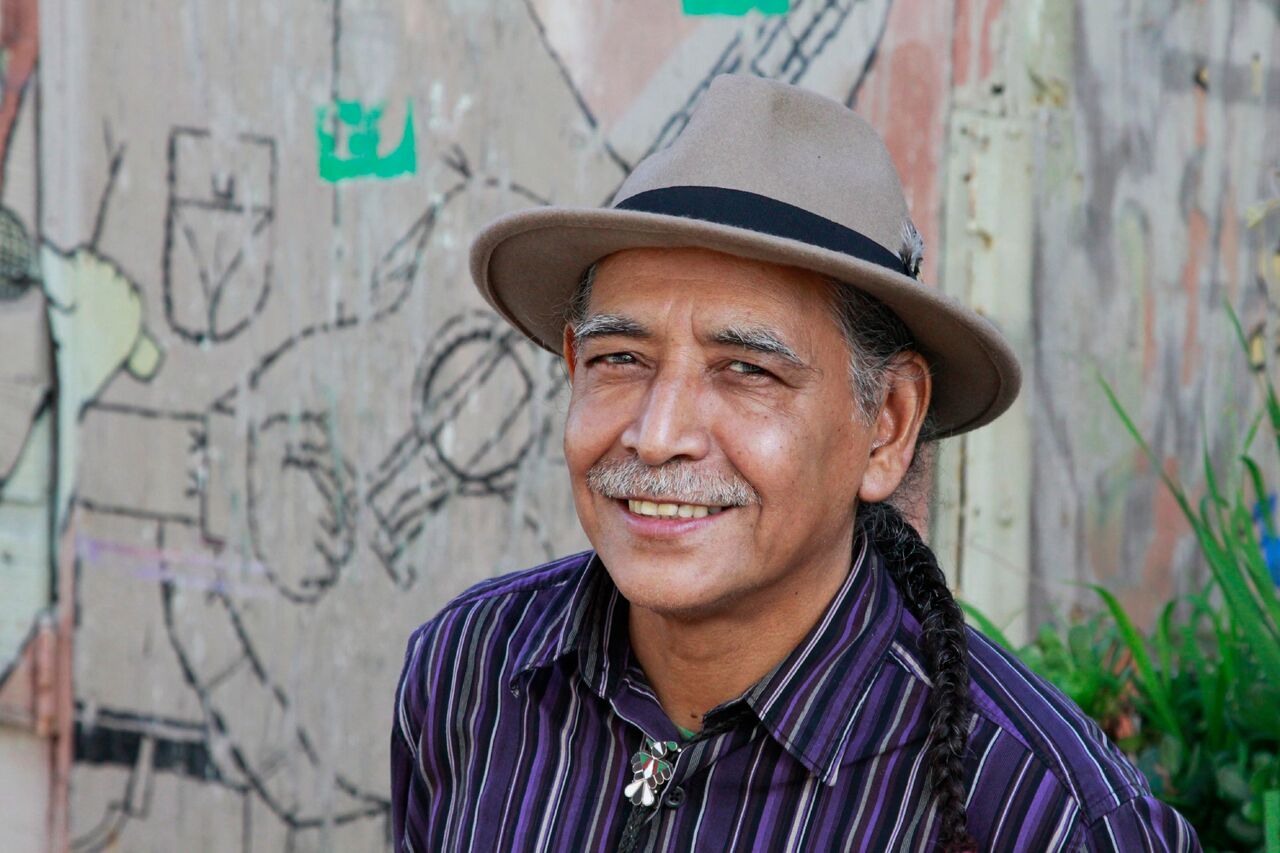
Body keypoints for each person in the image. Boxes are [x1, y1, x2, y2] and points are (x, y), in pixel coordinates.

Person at [390, 73, 1200, 852]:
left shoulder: (1041, 814)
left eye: (746, 369)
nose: (657, 431)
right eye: (621, 358)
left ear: (886, 426)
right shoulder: (472, 674)